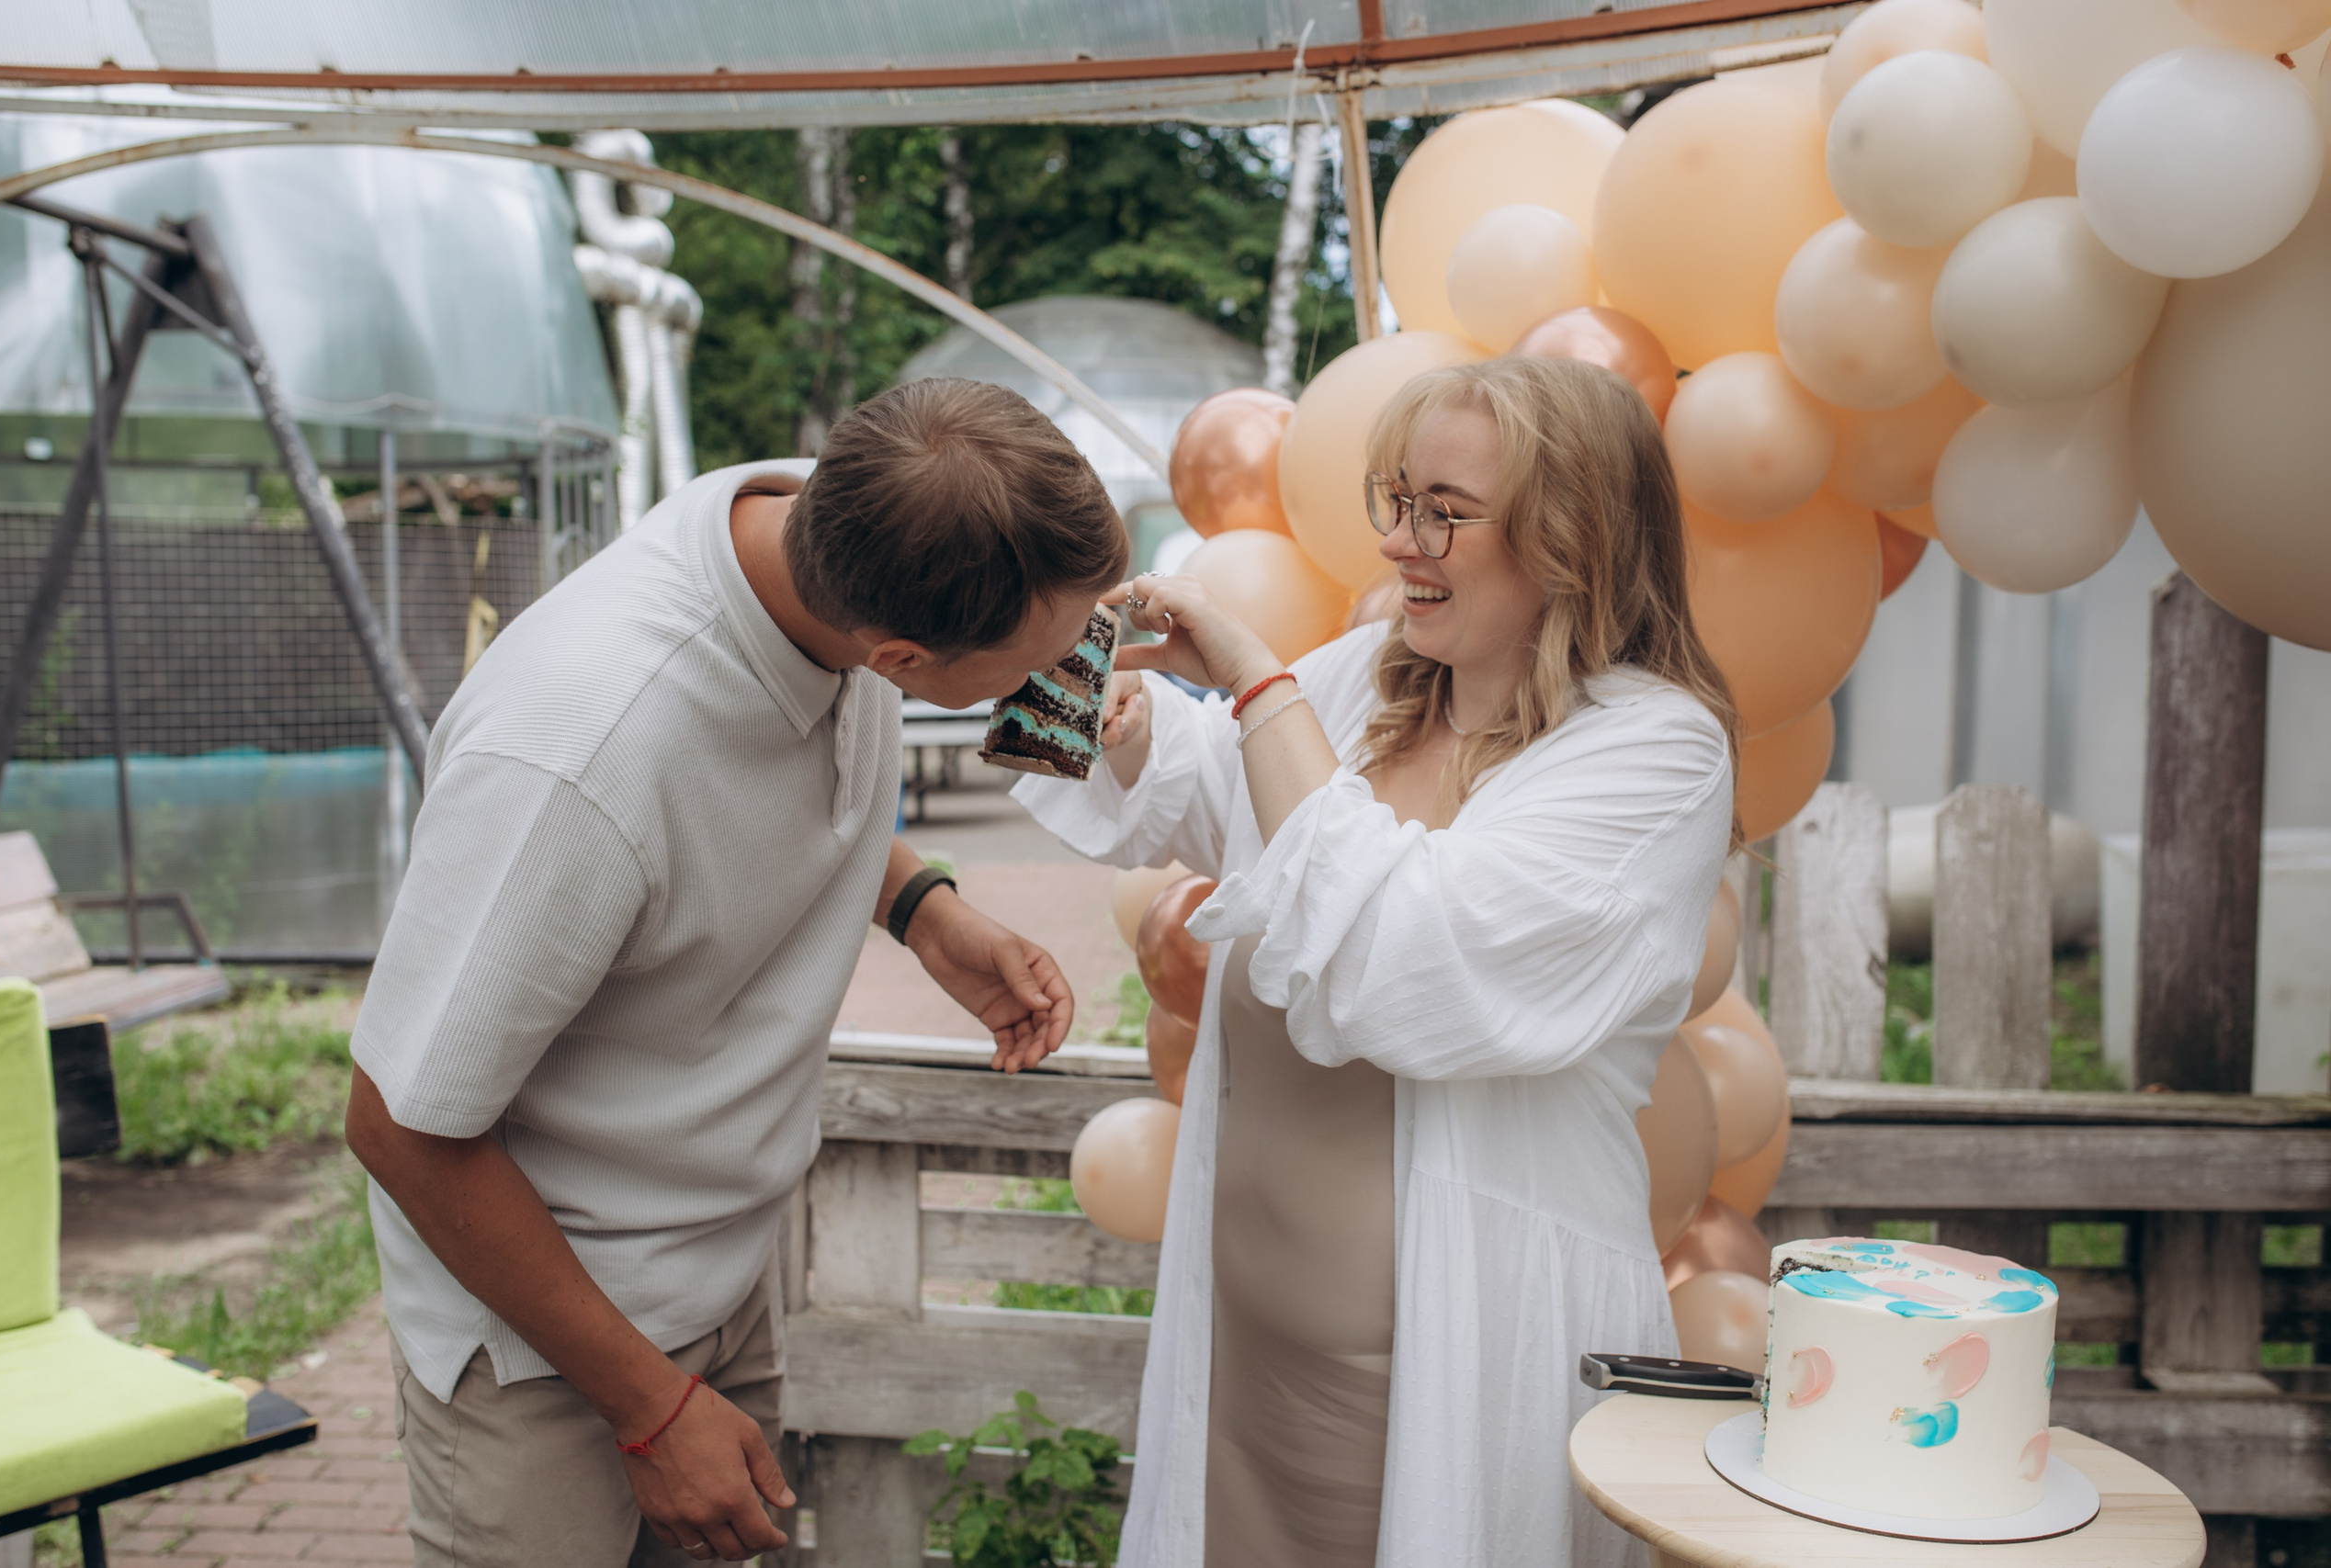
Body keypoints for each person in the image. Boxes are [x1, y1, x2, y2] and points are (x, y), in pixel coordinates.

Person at [345, 378, 1130, 1567]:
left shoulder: (833, 523)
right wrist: (651, 1410)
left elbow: (744, 795)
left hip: (715, 1274)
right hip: (547, 1343)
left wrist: (920, 907)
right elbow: (399, 1126)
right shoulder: (577, 753)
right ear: (903, 659)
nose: (1074, 666)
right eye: (1044, 655)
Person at [1015, 354, 1739, 1566]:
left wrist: (1254, 683)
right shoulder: (1361, 683)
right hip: (1251, 1365)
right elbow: (1203, 801)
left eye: (1445, 512)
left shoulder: (1657, 757)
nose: (1403, 542)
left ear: (1575, 537)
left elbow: (1407, 955)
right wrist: (1072, 662)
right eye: (1395, 501)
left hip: (1461, 1359)